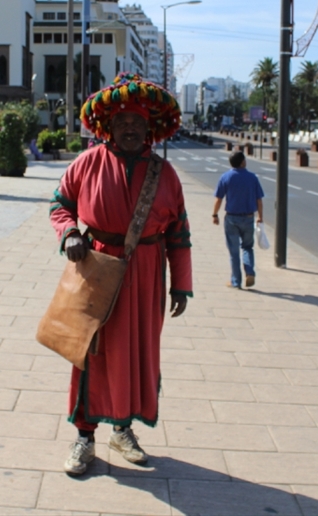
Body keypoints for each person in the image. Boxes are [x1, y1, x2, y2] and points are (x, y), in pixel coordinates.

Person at [49, 73, 192, 476]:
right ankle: (84, 437)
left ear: (149, 129)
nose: (130, 128)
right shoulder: (87, 163)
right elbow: (59, 205)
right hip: (96, 270)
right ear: (108, 127)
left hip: (146, 275)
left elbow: (179, 232)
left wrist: (181, 283)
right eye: (122, 123)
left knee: (135, 352)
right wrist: (70, 233)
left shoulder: (166, 175)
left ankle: (123, 429)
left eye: (138, 123)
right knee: (90, 352)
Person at [212, 151, 264, 289]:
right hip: (248, 217)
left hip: (231, 218)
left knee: (234, 251)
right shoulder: (252, 178)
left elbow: (219, 199)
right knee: (247, 247)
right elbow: (259, 200)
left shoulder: (226, 177)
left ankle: (236, 281)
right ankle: (249, 271)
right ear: (242, 162)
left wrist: (214, 214)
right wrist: (260, 217)